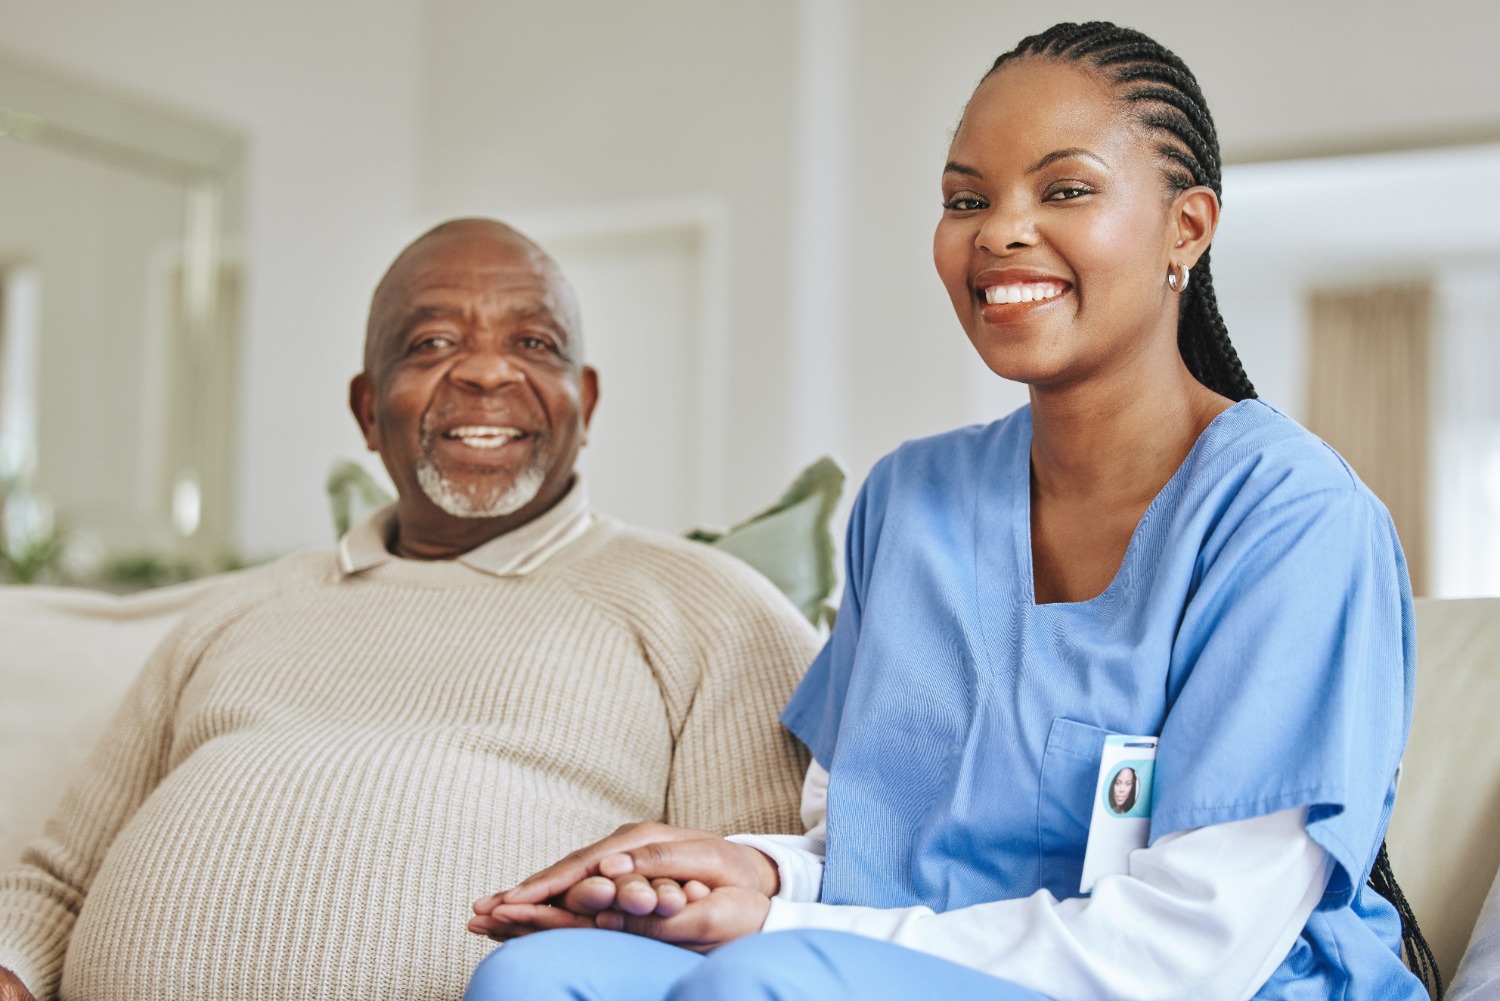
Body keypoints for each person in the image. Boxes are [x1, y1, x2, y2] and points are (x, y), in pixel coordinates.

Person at [465, 22, 1429, 1001]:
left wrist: (787, 924)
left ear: (1186, 226)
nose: (1001, 229)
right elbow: (880, 858)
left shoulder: (1293, 521)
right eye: (966, 198)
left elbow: (1189, 951)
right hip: (900, 963)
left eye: (1065, 189)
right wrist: (756, 872)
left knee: (760, 979)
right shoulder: (908, 501)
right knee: (537, 975)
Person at [0, 219, 820, 1001]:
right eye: (432, 344)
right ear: (366, 407)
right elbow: (56, 880)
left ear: (586, 399)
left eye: (533, 344)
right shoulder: (238, 607)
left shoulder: (712, 608)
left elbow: (758, 914)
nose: (487, 373)